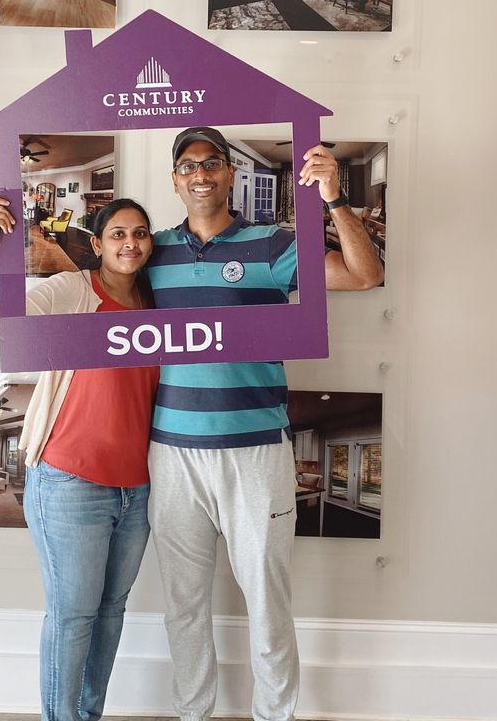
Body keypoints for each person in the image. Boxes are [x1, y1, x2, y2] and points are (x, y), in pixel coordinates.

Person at [146, 127, 384, 721]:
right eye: (189, 164)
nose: (201, 173)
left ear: (230, 175)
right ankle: (192, 714)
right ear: (175, 179)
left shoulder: (272, 245)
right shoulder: (149, 253)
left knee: (267, 602)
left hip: (256, 452)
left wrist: (334, 197)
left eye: (213, 163)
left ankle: (275, 716)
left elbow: (364, 275)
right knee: (183, 604)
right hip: (172, 453)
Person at [0, 196, 158, 721]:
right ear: (96, 244)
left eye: (140, 233)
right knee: (74, 616)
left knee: (110, 612)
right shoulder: (74, 290)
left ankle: (87, 715)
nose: (130, 243)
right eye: (117, 234)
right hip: (70, 481)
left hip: (137, 491)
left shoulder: (160, 303)